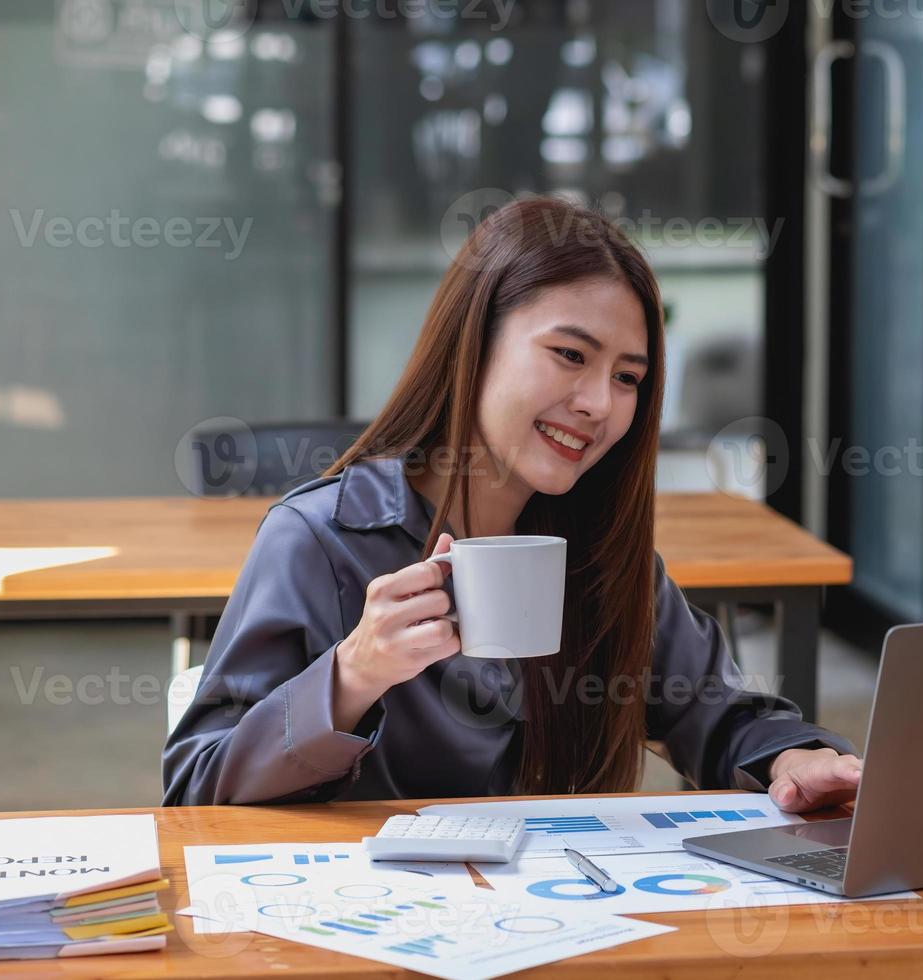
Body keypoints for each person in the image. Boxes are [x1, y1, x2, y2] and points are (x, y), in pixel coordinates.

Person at [163, 196, 862, 813]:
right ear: (475, 342)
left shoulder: (602, 554)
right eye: (568, 354)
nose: (598, 402)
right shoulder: (320, 541)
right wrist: (353, 674)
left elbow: (719, 714)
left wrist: (796, 759)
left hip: (565, 926)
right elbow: (196, 790)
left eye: (627, 377)